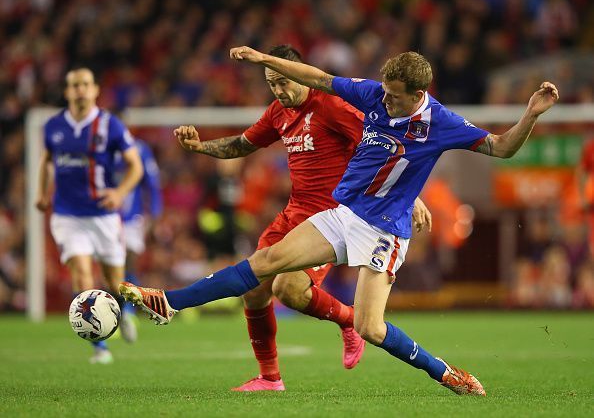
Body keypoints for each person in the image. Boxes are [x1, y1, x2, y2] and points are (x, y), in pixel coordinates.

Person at [120, 48, 559, 395]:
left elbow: (502, 148)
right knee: (268, 262)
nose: (383, 99)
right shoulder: (372, 94)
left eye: (394, 95)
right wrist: (263, 59)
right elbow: (318, 78)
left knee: (371, 328)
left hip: (385, 230)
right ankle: (170, 302)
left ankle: (445, 373)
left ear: (418, 92)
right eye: (384, 90)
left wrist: (531, 115)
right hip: (342, 214)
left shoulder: (440, 122)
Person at [172, 45, 432, 391]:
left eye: (283, 82)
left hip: (334, 217)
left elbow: (386, 148)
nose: (279, 90)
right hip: (293, 214)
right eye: (272, 84)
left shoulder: (332, 106)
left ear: (298, 74)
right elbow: (243, 145)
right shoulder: (279, 112)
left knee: (289, 289)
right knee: (254, 291)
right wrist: (200, 147)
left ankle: (351, 321)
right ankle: (270, 378)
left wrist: (412, 197)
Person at [36, 67, 143, 364]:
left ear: (95, 89)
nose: (80, 90)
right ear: (67, 91)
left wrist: (120, 193)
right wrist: (43, 192)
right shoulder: (53, 126)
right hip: (67, 214)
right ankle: (100, 346)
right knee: (82, 273)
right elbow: (46, 160)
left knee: (115, 283)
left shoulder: (111, 126)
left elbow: (135, 166)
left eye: (85, 84)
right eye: (74, 85)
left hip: (103, 215)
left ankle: (122, 313)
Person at [115, 138, 163, 342]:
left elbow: (152, 184)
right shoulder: (95, 147)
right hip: (104, 217)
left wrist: (154, 214)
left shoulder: (139, 149)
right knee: (112, 267)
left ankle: (128, 313)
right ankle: (114, 313)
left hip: (132, 219)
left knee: (129, 263)